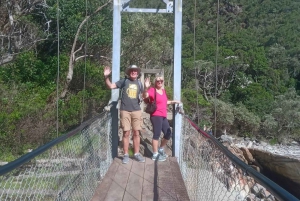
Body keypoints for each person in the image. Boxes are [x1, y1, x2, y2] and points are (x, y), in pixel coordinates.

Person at [104, 65, 145, 164]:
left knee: (136, 133)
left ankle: (136, 154)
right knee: (126, 133)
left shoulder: (139, 83)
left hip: (136, 110)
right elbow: (111, 86)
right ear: (129, 72)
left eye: (135, 71)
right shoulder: (124, 81)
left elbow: (144, 95)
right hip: (125, 110)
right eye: (132, 71)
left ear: (137, 73)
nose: (133, 72)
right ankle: (126, 154)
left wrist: (147, 88)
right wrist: (106, 77)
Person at [143, 76, 180, 161]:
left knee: (168, 133)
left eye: (161, 81)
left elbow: (164, 101)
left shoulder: (163, 91)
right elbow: (145, 96)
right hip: (156, 115)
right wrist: (146, 87)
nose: (160, 82)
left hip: (163, 115)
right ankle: (155, 154)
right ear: (155, 82)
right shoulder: (152, 90)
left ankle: (160, 149)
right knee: (157, 134)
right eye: (158, 81)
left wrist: (173, 102)